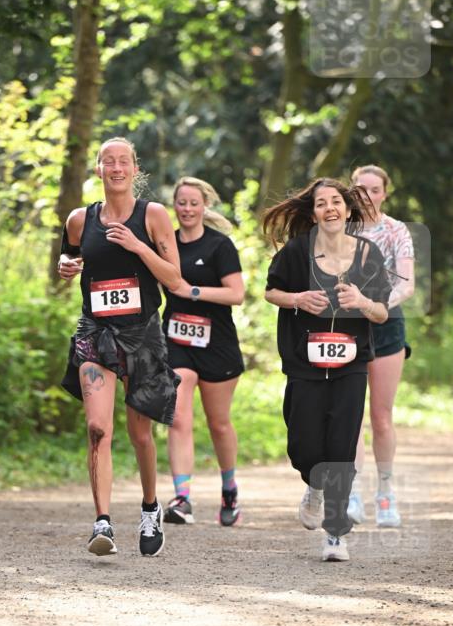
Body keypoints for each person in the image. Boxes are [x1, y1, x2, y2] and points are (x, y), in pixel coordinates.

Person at [59, 137, 181, 558]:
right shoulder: (80, 220)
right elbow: (68, 260)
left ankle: (150, 507)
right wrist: (65, 267)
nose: (115, 168)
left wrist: (137, 245)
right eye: (107, 161)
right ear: (98, 169)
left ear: (134, 169)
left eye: (123, 161)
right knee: (97, 428)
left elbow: (175, 279)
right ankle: (103, 522)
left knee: (140, 434)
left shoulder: (154, 215)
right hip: (95, 331)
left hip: (141, 333)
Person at [263, 178, 391, 562]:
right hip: (304, 362)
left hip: (351, 364)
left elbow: (382, 313)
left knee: (341, 445)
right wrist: (298, 299)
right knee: (303, 445)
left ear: (348, 210)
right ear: (314, 212)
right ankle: (314, 486)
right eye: (321, 203)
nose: (330, 208)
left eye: (336, 201)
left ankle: (335, 531)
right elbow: (270, 292)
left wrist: (362, 301)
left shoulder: (367, 254)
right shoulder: (297, 251)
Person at [161, 178, 245, 527]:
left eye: (194, 203)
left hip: (217, 344)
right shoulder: (165, 244)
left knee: (219, 424)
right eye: (181, 202)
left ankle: (229, 489)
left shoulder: (219, 246)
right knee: (179, 418)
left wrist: (191, 291)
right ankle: (182, 498)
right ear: (174, 205)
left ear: (204, 206)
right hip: (176, 341)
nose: (187, 209)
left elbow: (236, 294)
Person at [347, 165, 415, 528]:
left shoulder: (396, 230)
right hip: (348, 325)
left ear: (384, 194)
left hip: (387, 323)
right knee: (351, 414)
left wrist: (380, 304)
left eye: (374, 190)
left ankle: (386, 496)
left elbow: (407, 283)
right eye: (361, 189)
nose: (367, 196)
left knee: (381, 417)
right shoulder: (341, 228)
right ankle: (353, 493)